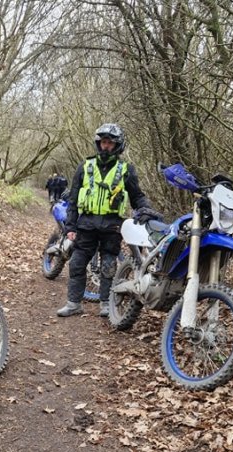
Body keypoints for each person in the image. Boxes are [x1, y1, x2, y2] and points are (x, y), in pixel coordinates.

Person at [57, 123, 161, 318]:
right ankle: (74, 303)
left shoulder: (126, 170)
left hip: (112, 226)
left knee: (108, 266)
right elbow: (73, 198)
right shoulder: (85, 166)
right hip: (86, 224)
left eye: (110, 143)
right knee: (77, 264)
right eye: (103, 142)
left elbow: (137, 196)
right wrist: (69, 226)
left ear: (118, 145)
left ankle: (105, 303)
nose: (106, 146)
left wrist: (146, 209)